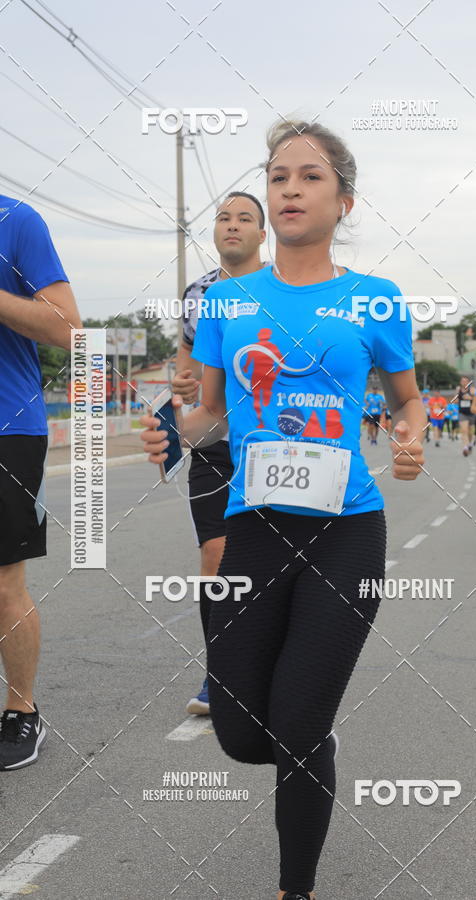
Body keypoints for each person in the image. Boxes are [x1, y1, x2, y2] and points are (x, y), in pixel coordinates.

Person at [141, 119, 426, 900]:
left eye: (309, 176)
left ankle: (293, 887)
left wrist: (410, 439)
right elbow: (208, 414)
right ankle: (307, 749)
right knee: (238, 733)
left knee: (298, 725)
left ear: (345, 199)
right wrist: (171, 430)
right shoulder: (229, 300)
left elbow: (408, 401)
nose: (290, 188)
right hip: (254, 529)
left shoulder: (375, 300)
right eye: (278, 176)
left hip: (347, 533)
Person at [173, 192, 266, 716]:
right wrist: (182, 390)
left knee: (268, 562)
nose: (232, 226)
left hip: (273, 448)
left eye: (245, 219)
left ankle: (269, 665)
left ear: (262, 233)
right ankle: (220, 675)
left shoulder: (283, 287)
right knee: (215, 556)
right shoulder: (199, 293)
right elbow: (185, 367)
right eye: (224, 218)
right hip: (215, 445)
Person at [0, 195, 81, 769]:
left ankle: (21, 711)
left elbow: (66, 326)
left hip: (7, 426)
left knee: (4, 584)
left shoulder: (17, 221)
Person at [457, 375, 476, 456]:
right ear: (460, 382)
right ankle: (465, 447)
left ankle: (470, 444)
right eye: (462, 381)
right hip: (462, 412)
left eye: (465, 381)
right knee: (464, 430)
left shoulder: (472, 390)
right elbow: (457, 399)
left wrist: (470, 398)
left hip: (471, 413)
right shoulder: (458, 389)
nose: (464, 383)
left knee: (470, 432)